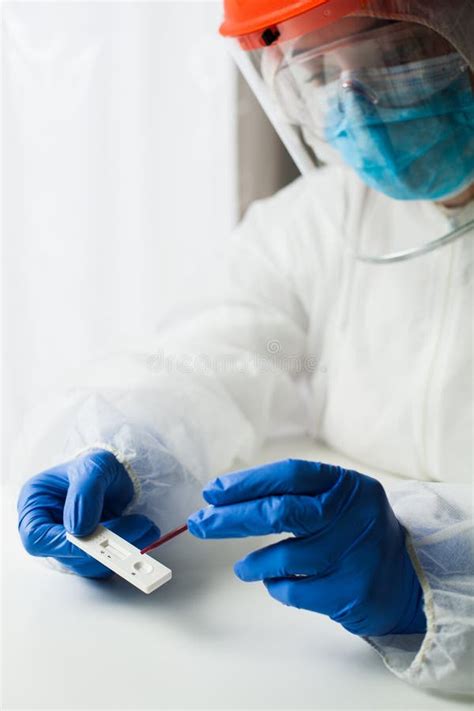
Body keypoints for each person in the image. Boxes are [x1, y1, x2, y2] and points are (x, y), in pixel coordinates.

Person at [16, 0, 473, 696]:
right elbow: (218, 353)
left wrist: (435, 578)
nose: (358, 102)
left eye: (393, 57)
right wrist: (131, 450)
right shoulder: (320, 220)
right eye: (319, 73)